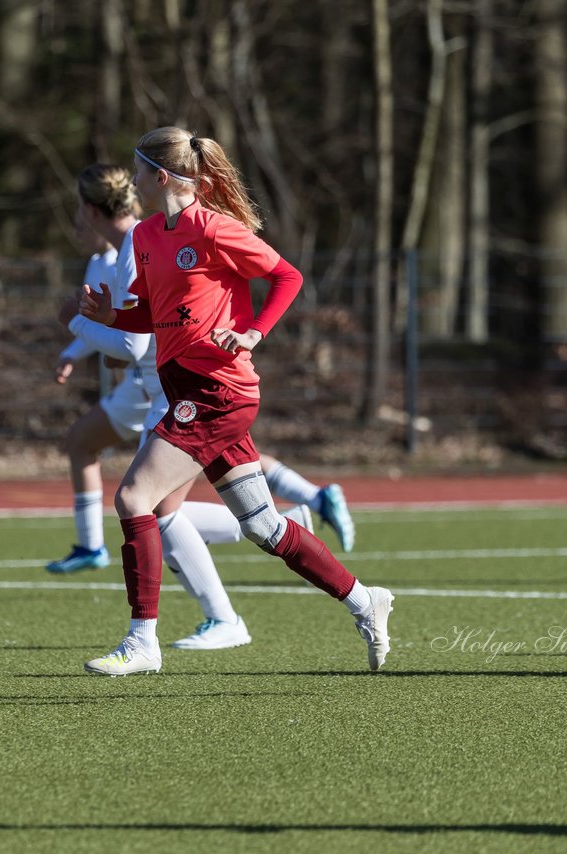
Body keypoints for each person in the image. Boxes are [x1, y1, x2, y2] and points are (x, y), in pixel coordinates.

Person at [78, 128, 393, 675]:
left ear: (161, 176)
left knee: (133, 498)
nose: (132, 181)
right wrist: (110, 316)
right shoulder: (149, 234)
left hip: (218, 391)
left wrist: (255, 333)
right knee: (264, 527)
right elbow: (151, 316)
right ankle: (367, 601)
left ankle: (142, 641)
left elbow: (286, 276)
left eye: (137, 169)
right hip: (187, 389)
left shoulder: (216, 229)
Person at [50, 164, 322, 651]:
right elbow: (138, 319)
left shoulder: (146, 239)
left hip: (179, 393)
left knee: (147, 507)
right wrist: (92, 331)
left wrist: (80, 327)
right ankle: (274, 544)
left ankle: (191, 626)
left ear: (90, 209)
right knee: (156, 506)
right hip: (162, 391)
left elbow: (136, 343)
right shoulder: (125, 246)